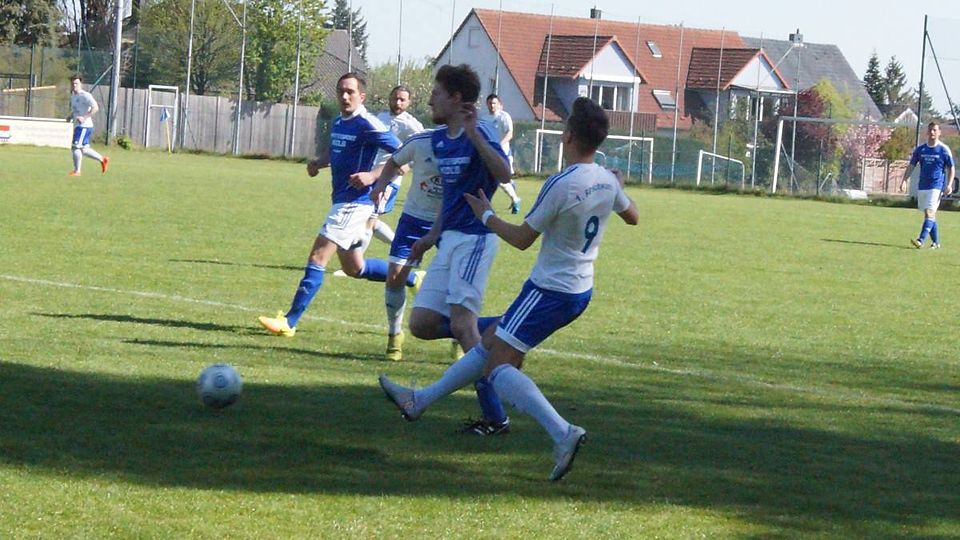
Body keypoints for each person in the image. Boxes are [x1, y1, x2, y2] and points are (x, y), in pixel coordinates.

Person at [379, 97, 639, 481]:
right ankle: (419, 401)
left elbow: (521, 239)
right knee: (488, 342)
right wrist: (616, 184)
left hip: (549, 290)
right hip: (579, 289)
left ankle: (563, 432)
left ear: (568, 135)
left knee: (497, 366)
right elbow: (632, 216)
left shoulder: (562, 184)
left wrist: (486, 214)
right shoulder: (604, 178)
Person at [387, 64, 514, 435]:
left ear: (456, 98)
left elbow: (505, 173)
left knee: (461, 325)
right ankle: (501, 327)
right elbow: (453, 196)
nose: (430, 101)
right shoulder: (441, 139)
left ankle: (496, 417)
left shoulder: (481, 130)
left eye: (436, 94)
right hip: (449, 239)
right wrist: (431, 236)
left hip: (475, 238)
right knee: (422, 324)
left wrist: (475, 135)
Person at [257, 73, 408, 337]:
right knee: (354, 268)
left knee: (318, 256)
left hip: (354, 203)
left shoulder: (368, 124)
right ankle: (413, 277)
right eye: (341, 91)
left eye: (350, 92)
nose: (345, 96)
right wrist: (319, 162)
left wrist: (372, 176)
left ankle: (289, 322)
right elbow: (336, 150)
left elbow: (404, 157)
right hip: (343, 200)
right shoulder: (340, 121)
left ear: (362, 96)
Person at [367, 85, 427, 246]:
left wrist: (408, 165)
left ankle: (356, 261)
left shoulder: (411, 125)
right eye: (395, 98)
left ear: (409, 102)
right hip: (370, 174)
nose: (398, 102)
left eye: (402, 100)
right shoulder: (380, 117)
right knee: (367, 219)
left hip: (389, 178)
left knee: (369, 220)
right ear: (389, 98)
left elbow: (423, 150)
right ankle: (403, 248)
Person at [900, 121, 955, 249]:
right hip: (923, 186)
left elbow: (951, 168)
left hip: (936, 186)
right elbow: (911, 165)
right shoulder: (921, 149)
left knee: (930, 212)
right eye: (930, 130)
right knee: (929, 215)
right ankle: (936, 243)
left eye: (935, 130)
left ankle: (920, 240)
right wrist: (904, 180)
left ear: (939, 132)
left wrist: (949, 184)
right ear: (927, 132)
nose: (932, 132)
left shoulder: (943, 149)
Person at [484, 94, 522, 214]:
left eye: (494, 103)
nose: (492, 105)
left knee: (500, 179)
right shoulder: (484, 118)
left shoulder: (504, 116)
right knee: (489, 179)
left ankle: (515, 199)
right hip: (489, 154)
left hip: (503, 154)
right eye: (490, 103)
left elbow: (509, 134)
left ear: (500, 104)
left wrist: (499, 145)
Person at [68, 75, 108, 177]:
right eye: (72, 83)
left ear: (80, 84)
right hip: (78, 126)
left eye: (76, 83)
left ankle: (77, 171)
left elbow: (95, 108)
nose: (74, 85)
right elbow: (76, 109)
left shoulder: (85, 95)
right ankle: (102, 159)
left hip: (84, 126)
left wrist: (84, 118)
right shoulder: (73, 95)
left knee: (75, 147)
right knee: (84, 149)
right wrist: (70, 116)